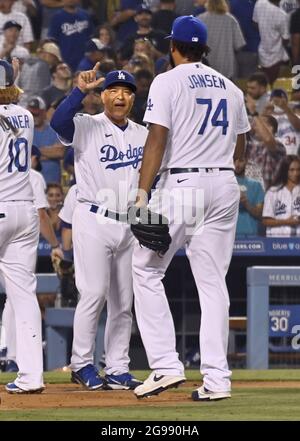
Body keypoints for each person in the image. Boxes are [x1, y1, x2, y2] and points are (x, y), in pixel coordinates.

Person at [131, 15, 250, 400]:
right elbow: (242, 147)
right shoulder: (231, 88)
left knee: (146, 269)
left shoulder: (167, 80)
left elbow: (157, 140)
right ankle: (218, 381)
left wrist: (141, 193)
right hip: (224, 183)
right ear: (205, 50)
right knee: (213, 285)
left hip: (184, 184)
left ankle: (166, 365)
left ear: (173, 46)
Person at [50, 66, 148, 390]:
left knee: (123, 302)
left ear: (133, 98)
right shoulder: (86, 125)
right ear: (103, 95)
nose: (120, 95)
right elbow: (57, 123)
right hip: (93, 216)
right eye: (114, 90)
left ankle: (118, 367)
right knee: (93, 293)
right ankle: (81, 363)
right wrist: (79, 92)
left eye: (127, 91)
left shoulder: (142, 134)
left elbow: (152, 177)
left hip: (129, 223)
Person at [0, 58, 44, 393]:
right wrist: (12, 78)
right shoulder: (26, 116)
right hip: (25, 213)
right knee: (24, 295)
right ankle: (31, 376)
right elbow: (11, 99)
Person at [0, 145, 64, 373]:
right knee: (19, 294)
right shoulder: (33, 175)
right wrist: (55, 245)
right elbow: (40, 213)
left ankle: (12, 356)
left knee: (13, 297)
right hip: (21, 227)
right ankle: (22, 364)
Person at [262, 155, 300, 236]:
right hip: (277, 240)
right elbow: (266, 221)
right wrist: (287, 221)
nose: (296, 173)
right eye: (292, 170)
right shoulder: (273, 192)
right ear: (285, 171)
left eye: (298, 170)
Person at [234, 157, 265, 237]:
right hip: (228, 236)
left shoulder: (256, 185)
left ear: (246, 161)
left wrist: (246, 203)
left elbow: (260, 214)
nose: (237, 164)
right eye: (234, 160)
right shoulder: (223, 185)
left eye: (240, 160)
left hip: (251, 236)